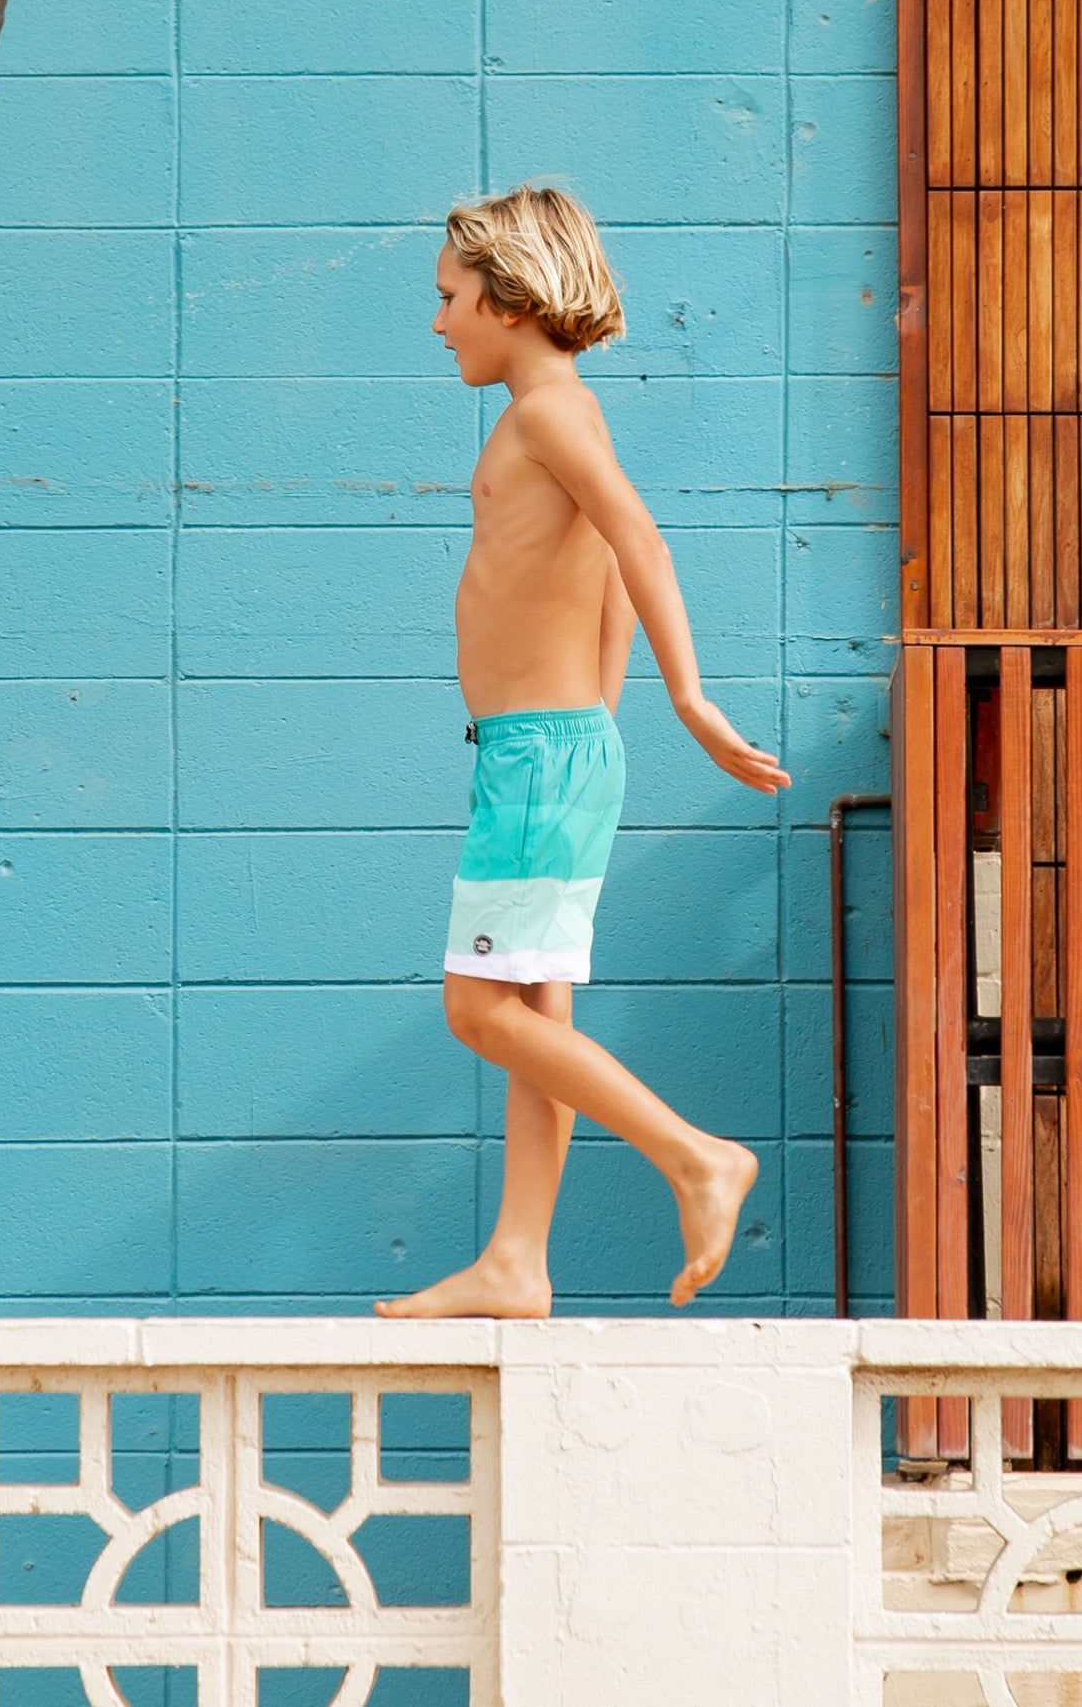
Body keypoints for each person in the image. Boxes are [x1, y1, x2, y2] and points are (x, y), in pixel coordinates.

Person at [374, 184, 791, 1321]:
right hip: (548, 751)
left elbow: (638, 539)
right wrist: (596, 722)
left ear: (508, 301)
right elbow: (601, 572)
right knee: (535, 1014)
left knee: (477, 1011)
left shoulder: (546, 416)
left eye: (449, 298)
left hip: (537, 761)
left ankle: (697, 1159)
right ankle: (517, 1257)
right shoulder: (562, 414)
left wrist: (688, 702)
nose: (437, 322)